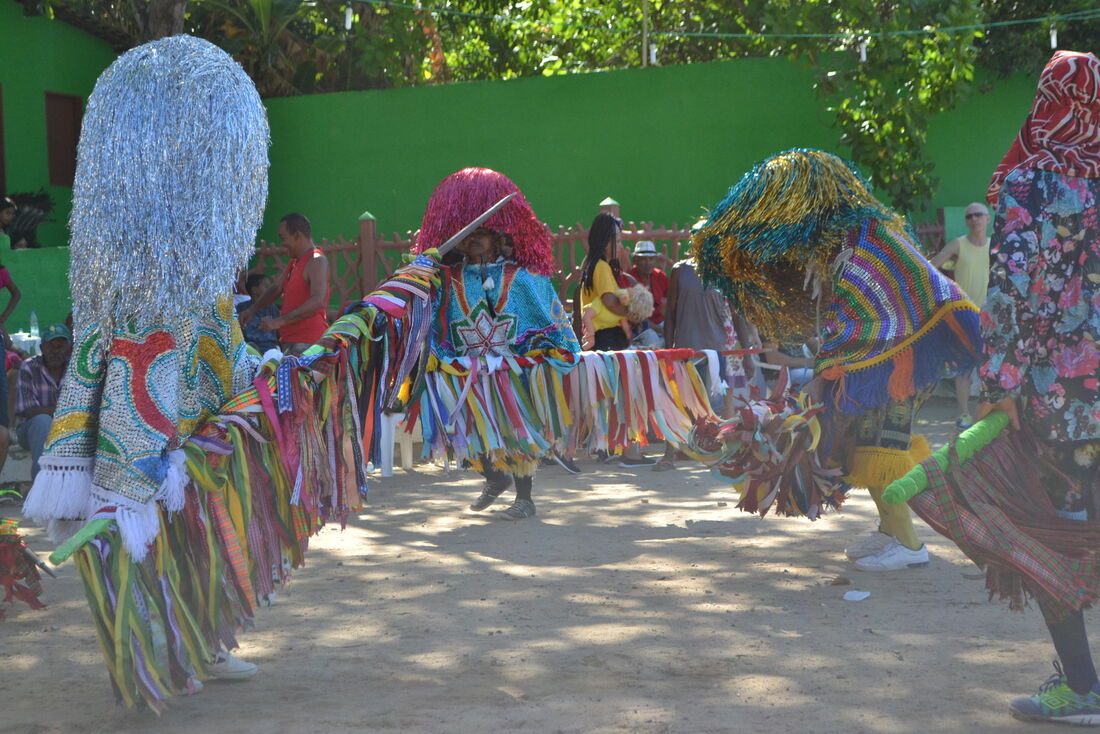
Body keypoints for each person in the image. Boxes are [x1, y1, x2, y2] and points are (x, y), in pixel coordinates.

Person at [902, 50, 1100, 725]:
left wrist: (998, 384)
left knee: (1052, 536)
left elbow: (1013, 294)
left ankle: (1080, 684)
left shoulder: (1032, 183)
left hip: (1055, 404)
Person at [693, 148, 983, 571]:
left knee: (883, 446)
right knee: (863, 442)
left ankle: (908, 544)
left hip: (900, 359)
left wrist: (822, 373)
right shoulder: (846, 243)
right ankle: (891, 533)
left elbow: (866, 319)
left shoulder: (867, 240)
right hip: (883, 360)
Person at [413, 167, 580, 520]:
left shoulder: (520, 278)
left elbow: (545, 317)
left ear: (496, 235)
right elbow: (431, 317)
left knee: (517, 431)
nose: (473, 239)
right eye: (467, 234)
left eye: (482, 232)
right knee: (468, 431)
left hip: (511, 370)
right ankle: (495, 477)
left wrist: (537, 352)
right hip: (466, 371)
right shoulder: (447, 280)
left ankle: (525, 498)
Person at [931, 202, 991, 429]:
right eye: (970, 216)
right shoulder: (959, 244)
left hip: (990, 317)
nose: (974, 219)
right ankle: (965, 414)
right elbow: (933, 266)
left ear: (987, 219)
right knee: (964, 367)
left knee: (989, 367)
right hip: (965, 315)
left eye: (978, 215)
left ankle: (985, 412)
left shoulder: (995, 247)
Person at [239, 213, 329, 354]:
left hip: (308, 344)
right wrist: (251, 310)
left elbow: (318, 301)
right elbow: (275, 289)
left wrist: (278, 322)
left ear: (297, 235)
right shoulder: (294, 263)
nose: (282, 244)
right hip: (291, 343)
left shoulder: (316, 259)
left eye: (283, 238)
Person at [14, 324, 70, 480]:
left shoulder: (75, 368)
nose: (55, 351)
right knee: (42, 421)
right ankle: (41, 482)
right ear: (42, 348)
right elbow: (28, 410)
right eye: (50, 346)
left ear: (68, 348)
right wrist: (64, 410)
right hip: (30, 431)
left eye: (60, 347)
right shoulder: (29, 366)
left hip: (68, 430)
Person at [580, 282, 653, 350]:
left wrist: (628, 334)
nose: (635, 319)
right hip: (599, 307)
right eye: (636, 316)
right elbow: (619, 293)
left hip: (600, 322)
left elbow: (624, 323)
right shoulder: (627, 298)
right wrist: (622, 298)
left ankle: (585, 344)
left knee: (588, 331)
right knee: (587, 319)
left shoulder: (624, 313)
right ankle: (588, 341)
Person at [628, 240, 670, 332]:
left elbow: (671, 302)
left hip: (661, 323)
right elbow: (634, 316)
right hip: (639, 327)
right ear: (635, 260)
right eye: (643, 259)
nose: (648, 263)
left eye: (651, 259)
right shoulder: (629, 279)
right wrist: (661, 330)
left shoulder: (660, 276)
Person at [236, 272, 280, 352]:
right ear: (254, 290)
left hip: (271, 348)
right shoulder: (242, 308)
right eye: (266, 286)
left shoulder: (272, 308)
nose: (270, 289)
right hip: (249, 348)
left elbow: (279, 332)